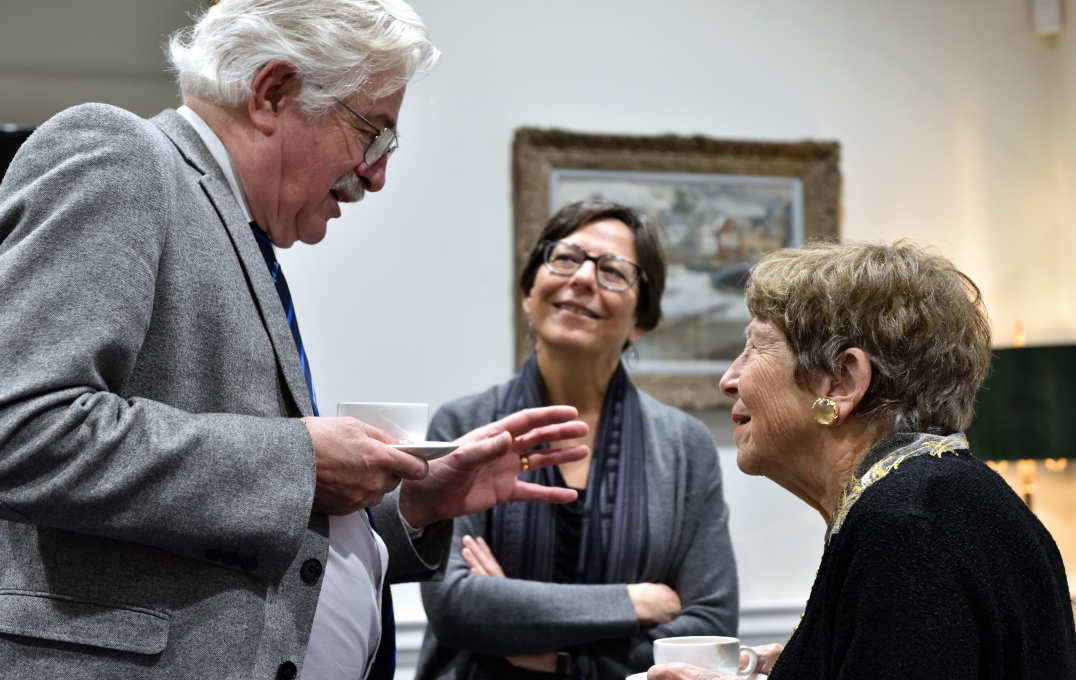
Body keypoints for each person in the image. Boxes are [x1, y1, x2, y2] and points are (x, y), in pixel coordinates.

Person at [0, 1, 590, 678]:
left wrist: (414, 506)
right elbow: (22, 428)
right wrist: (302, 462)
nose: (376, 174)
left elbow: (242, 533)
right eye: (372, 134)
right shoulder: (118, 153)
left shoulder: (239, 229)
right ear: (273, 93)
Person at [648, 242, 1076, 680]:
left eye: (756, 348)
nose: (729, 379)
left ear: (842, 382)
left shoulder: (905, 526)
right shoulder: (949, 498)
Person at [416, 200, 740, 680]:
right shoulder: (464, 424)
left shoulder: (684, 446)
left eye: (613, 271)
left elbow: (710, 626)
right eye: (566, 259)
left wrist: (557, 656)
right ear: (529, 293)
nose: (584, 278)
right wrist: (634, 602)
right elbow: (456, 605)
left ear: (640, 322)